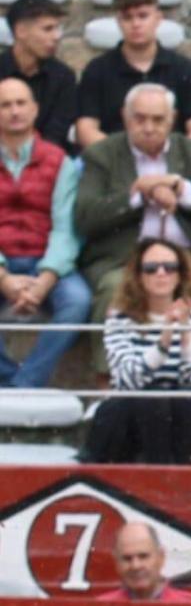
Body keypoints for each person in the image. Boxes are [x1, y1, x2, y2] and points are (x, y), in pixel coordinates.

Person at [75, 84, 191, 319]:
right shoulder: (101, 154)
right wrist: (138, 196)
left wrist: (180, 188)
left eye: (158, 120)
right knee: (112, 289)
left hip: (188, 260)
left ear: (172, 120)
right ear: (125, 117)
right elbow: (85, 218)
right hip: (123, 261)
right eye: (140, 119)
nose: (148, 128)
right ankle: (105, 358)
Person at [81, 239, 191, 465]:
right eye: (151, 268)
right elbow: (128, 380)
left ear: (180, 274)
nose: (161, 273)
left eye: (170, 267)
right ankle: (157, 470)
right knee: (152, 399)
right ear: (139, 276)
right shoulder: (120, 319)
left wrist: (185, 334)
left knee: (184, 400)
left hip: (179, 414)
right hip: (132, 416)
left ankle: (187, 476)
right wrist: (164, 340)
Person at [0, 77, 89, 389]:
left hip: (47, 260)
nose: (14, 111)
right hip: (2, 261)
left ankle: (22, 385)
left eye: (21, 103)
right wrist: (4, 279)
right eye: (5, 105)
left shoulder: (58, 160)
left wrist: (46, 279)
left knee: (78, 300)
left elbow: (67, 226)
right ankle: (13, 380)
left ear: (35, 110)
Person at [75, 0, 191, 149]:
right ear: (118, 21)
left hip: (173, 164)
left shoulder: (185, 69)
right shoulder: (98, 70)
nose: (136, 24)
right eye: (127, 17)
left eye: (143, 16)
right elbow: (86, 128)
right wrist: (117, 160)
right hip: (113, 166)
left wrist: (176, 159)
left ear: (158, 18)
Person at [0, 0, 75, 153]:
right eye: (47, 29)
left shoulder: (63, 76)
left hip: (46, 160)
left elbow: (57, 132)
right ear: (21, 31)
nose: (56, 37)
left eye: (57, 28)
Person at [97, 522, 191, 601]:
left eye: (143, 556)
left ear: (161, 557)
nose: (135, 566)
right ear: (117, 563)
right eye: (127, 558)